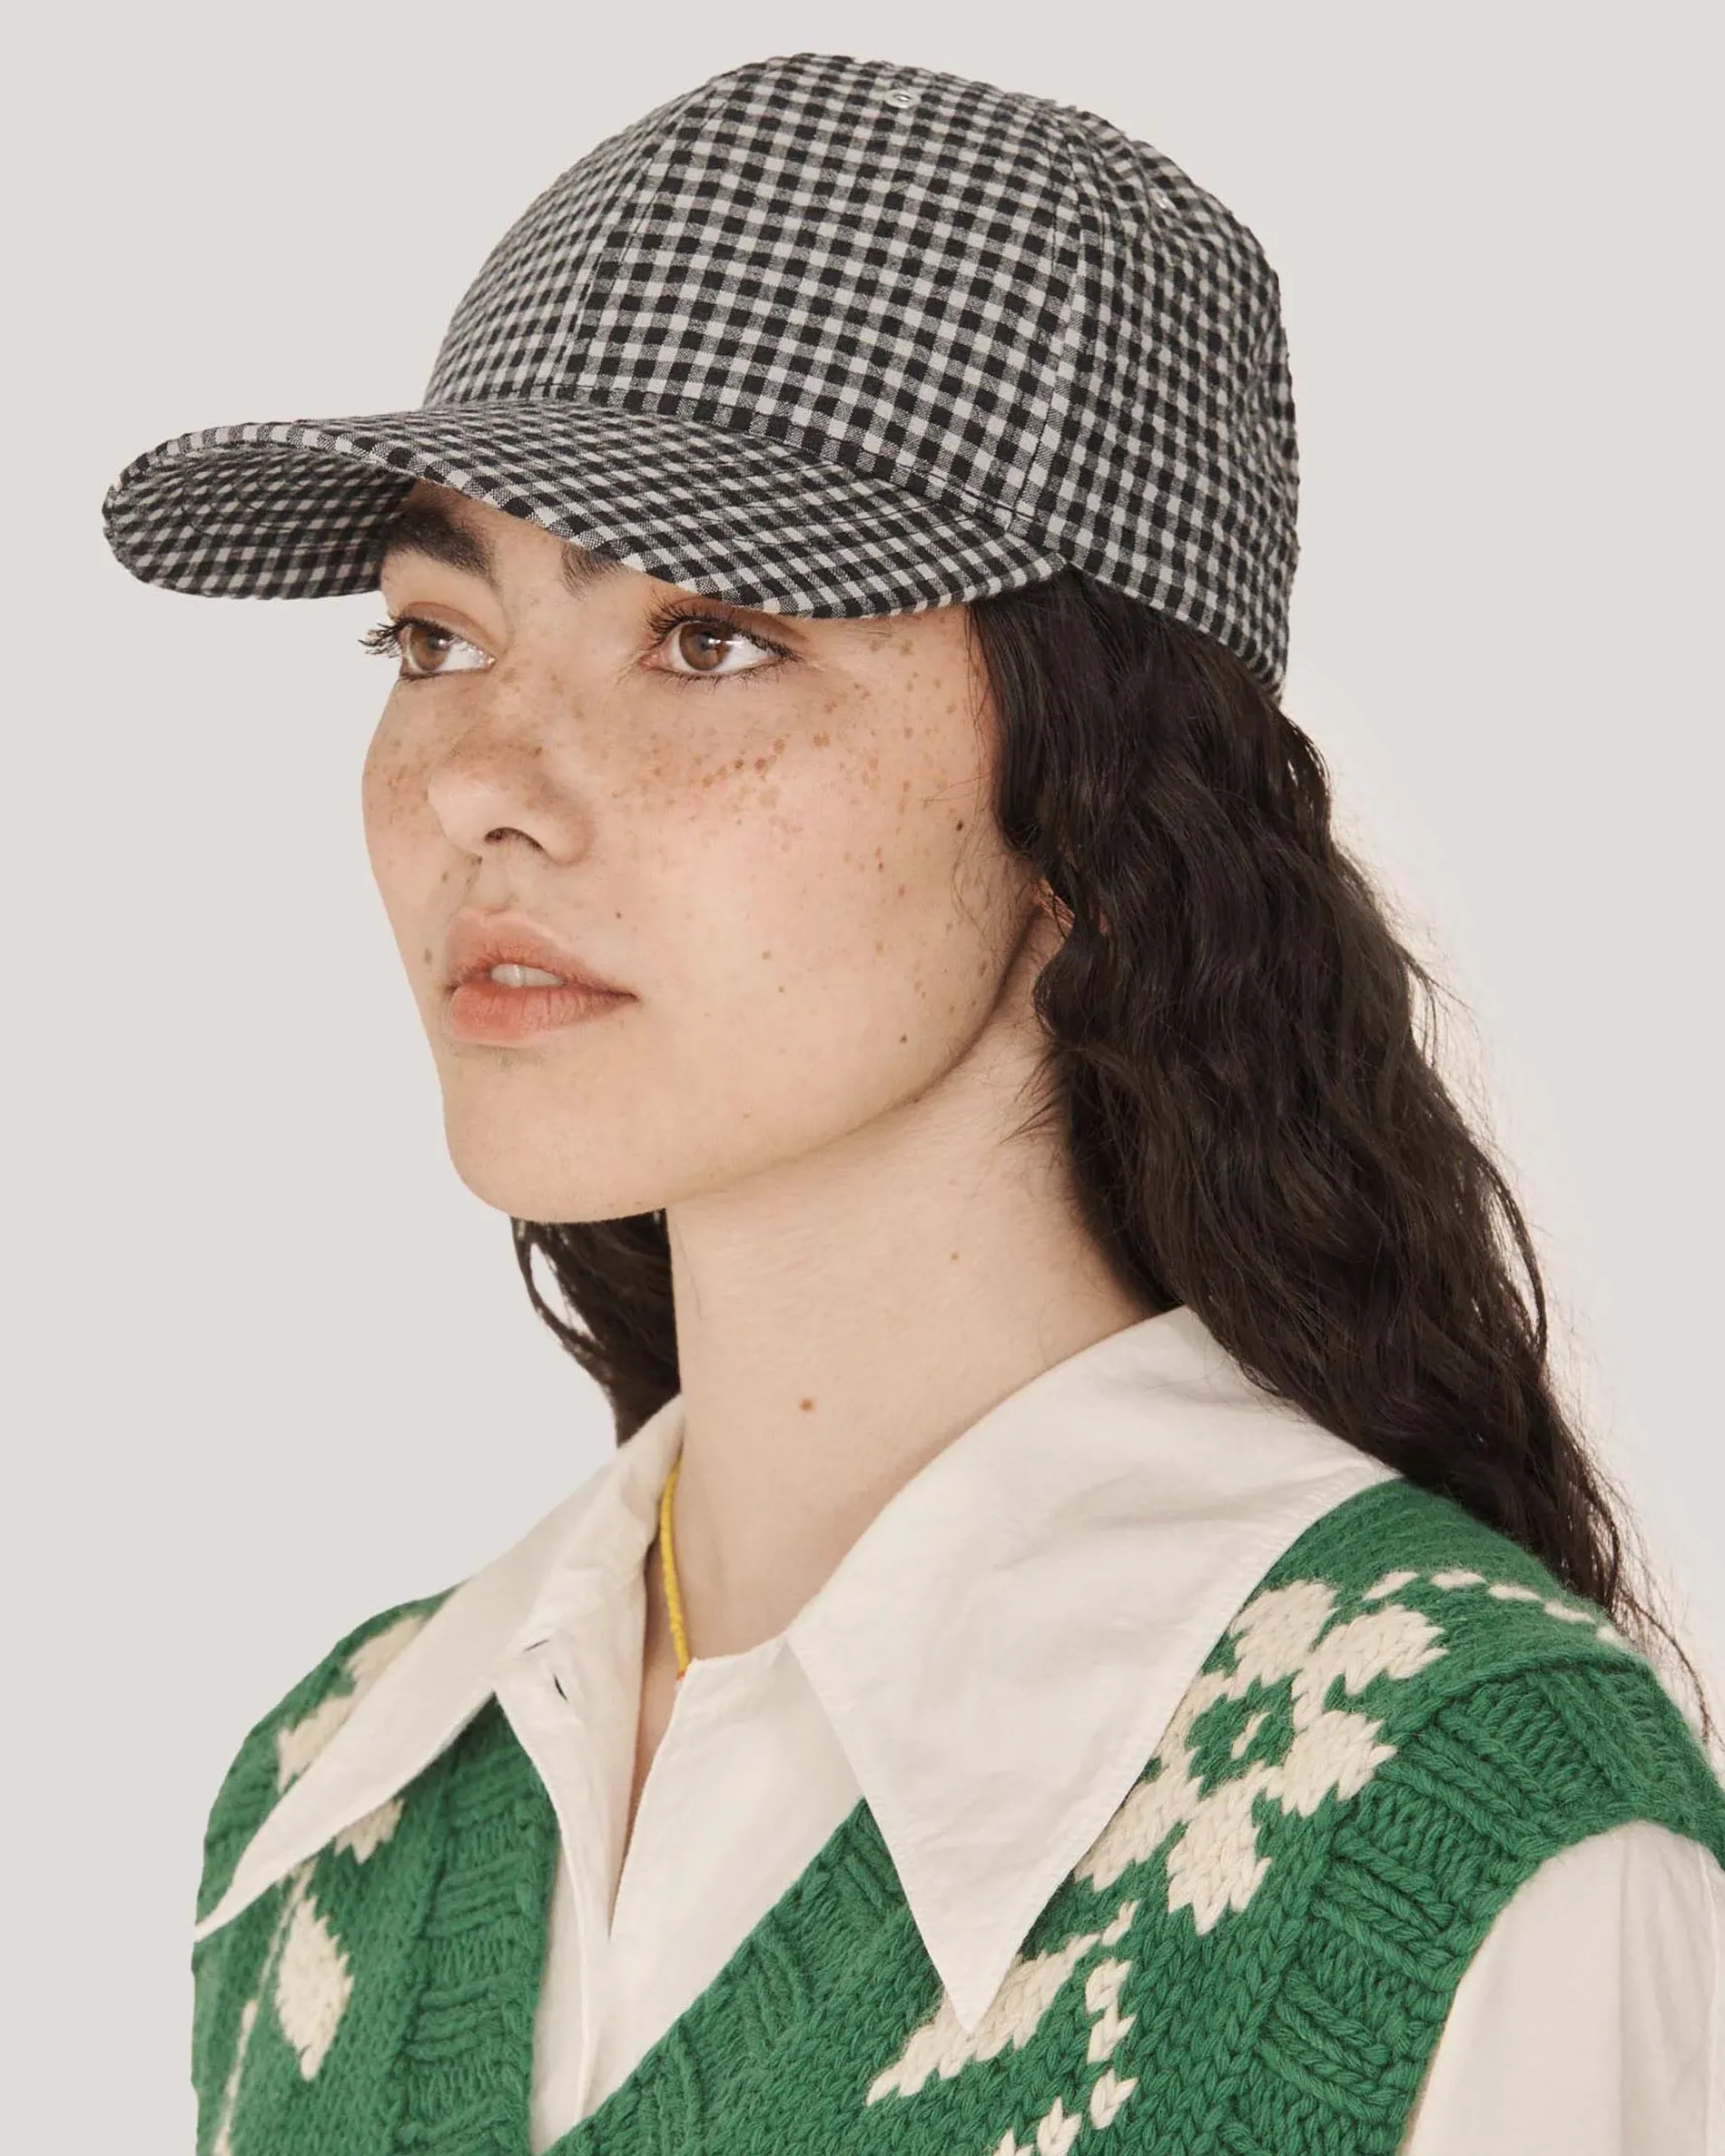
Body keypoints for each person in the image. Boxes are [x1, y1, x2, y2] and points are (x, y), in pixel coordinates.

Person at [101, 50, 1724, 2156]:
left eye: (708, 638)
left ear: (1101, 802)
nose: (483, 779)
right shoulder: (338, 1818)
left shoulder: (1464, 1848)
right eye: (433, 635)